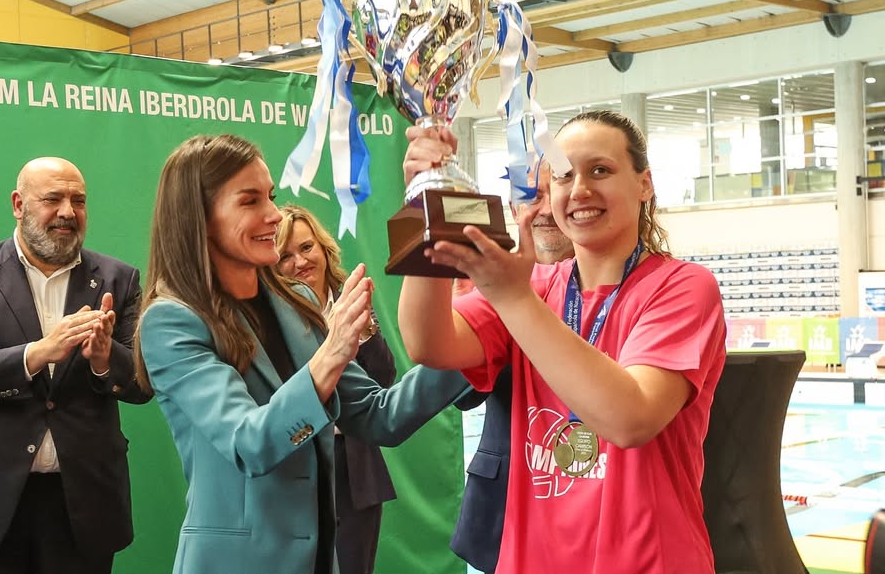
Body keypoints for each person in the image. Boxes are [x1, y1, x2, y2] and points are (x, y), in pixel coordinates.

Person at [398, 111, 727, 574]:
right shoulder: (532, 285)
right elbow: (428, 342)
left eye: (601, 170)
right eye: (565, 175)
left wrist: (513, 298)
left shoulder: (683, 287)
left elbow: (630, 419)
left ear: (644, 184)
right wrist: (424, 207)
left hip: (649, 560)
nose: (580, 190)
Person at [134, 133, 469, 574]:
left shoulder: (293, 301)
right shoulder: (171, 322)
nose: (274, 214)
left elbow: (380, 416)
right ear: (199, 218)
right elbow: (248, 443)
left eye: (269, 196)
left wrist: (472, 330)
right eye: (249, 201)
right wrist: (330, 355)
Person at [0, 157, 151, 574]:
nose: (67, 212)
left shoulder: (120, 279)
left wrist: (103, 360)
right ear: (18, 204)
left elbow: (141, 385)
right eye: (52, 199)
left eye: (78, 201)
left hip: (82, 507)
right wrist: (39, 352)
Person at [450, 162, 575, 574]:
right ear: (510, 206)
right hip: (506, 502)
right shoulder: (491, 282)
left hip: (593, 500)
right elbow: (464, 392)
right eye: (528, 198)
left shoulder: (619, 281)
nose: (542, 209)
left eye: (548, 193)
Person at [276, 204, 397, 574]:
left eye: (307, 248)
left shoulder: (351, 300)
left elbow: (383, 379)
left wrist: (363, 330)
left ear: (324, 249)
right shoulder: (271, 313)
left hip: (355, 469)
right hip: (298, 467)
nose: (300, 262)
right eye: (285, 256)